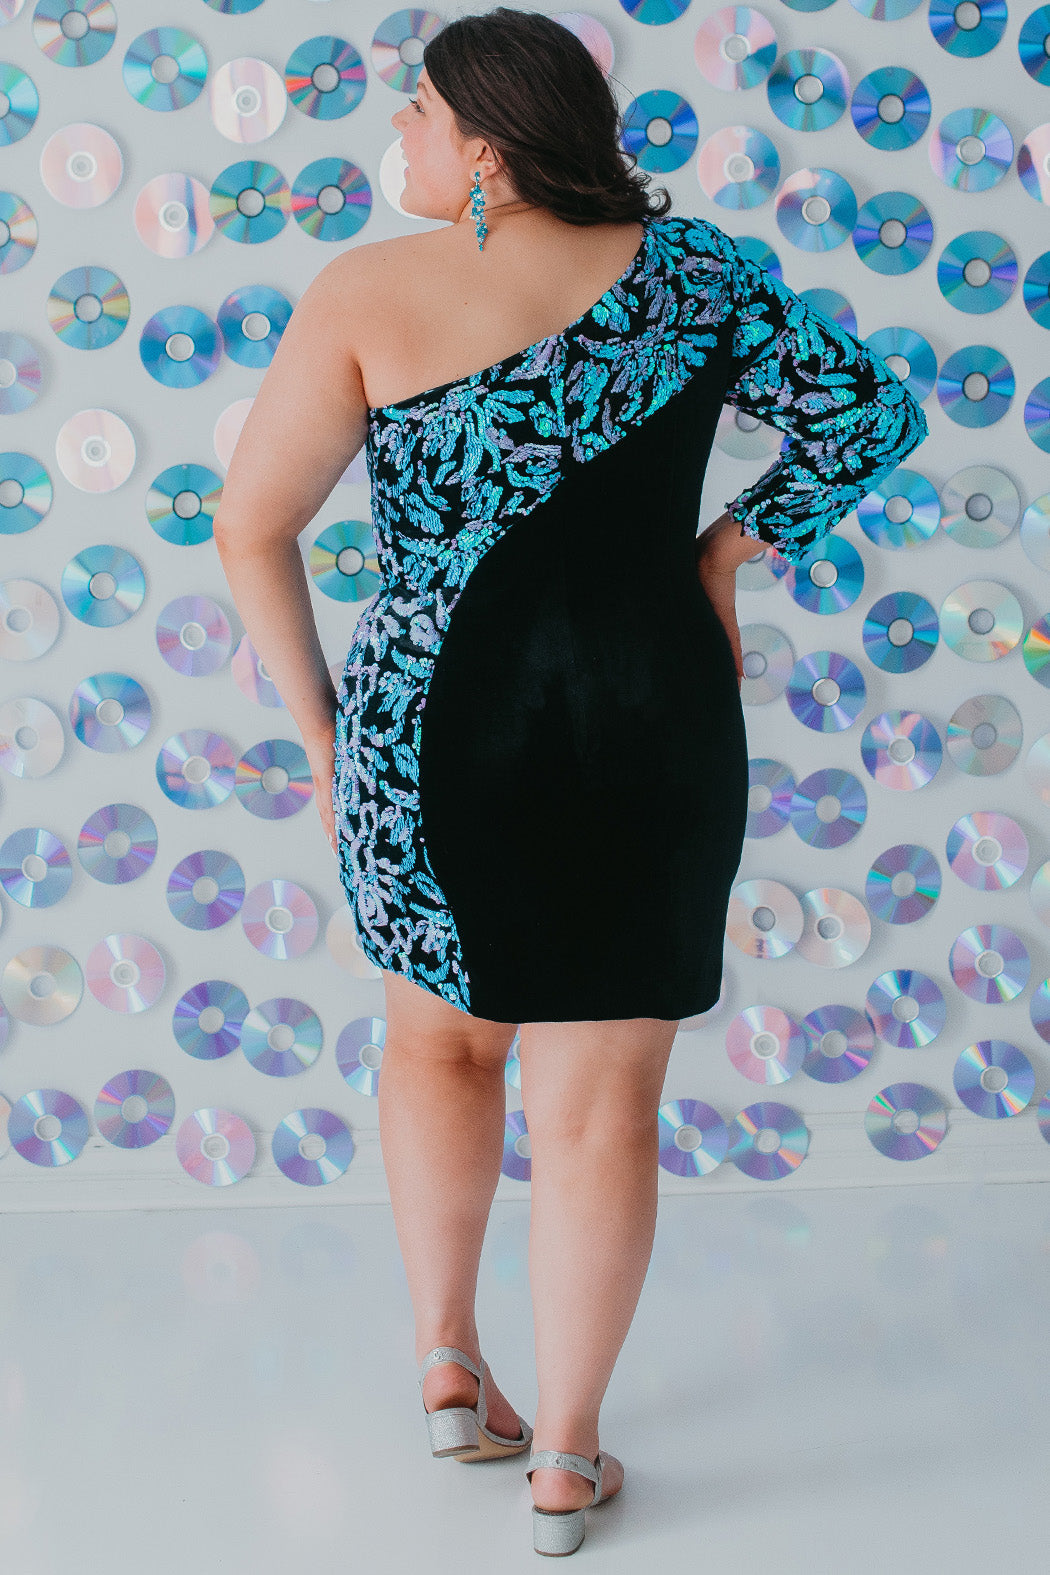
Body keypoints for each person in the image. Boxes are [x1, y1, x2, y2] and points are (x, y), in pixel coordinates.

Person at [213, 7, 928, 1556]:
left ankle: (446, 1363)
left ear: (483, 144)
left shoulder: (364, 292)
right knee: (601, 1114)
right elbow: (870, 416)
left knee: (436, 1049)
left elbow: (246, 527)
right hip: (648, 719)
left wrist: (326, 736)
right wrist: (722, 553)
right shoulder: (703, 275)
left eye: (414, 113)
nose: (394, 137)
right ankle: (566, 1456)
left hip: (426, 733)